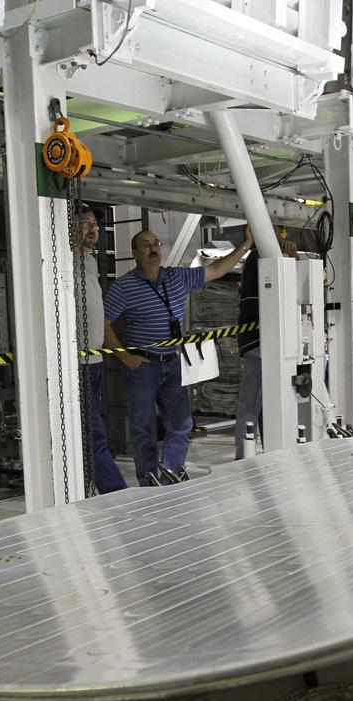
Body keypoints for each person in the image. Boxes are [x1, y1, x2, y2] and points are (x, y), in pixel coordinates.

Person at [104, 227, 253, 485]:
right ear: (135, 253)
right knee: (141, 429)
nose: (153, 249)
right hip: (142, 367)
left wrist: (245, 245)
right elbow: (103, 324)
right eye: (146, 245)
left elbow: (217, 270)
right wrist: (126, 357)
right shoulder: (124, 288)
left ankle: (170, 473)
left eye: (156, 243)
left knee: (181, 424)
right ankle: (149, 482)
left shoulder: (177, 278)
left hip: (173, 363)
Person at [74, 204, 127, 493]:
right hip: (76, 364)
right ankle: (117, 493)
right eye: (85, 222)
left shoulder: (91, 262)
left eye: (94, 223)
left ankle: (90, 487)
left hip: (94, 362)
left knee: (90, 429)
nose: (93, 228)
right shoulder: (59, 262)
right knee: (93, 433)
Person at [234, 226, 298, 460]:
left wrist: (291, 257)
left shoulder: (263, 256)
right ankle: (243, 457)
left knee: (264, 403)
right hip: (260, 343)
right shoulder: (261, 257)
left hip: (262, 342)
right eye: (279, 230)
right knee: (252, 403)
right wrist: (289, 258)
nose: (283, 235)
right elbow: (282, 292)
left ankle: (264, 452)